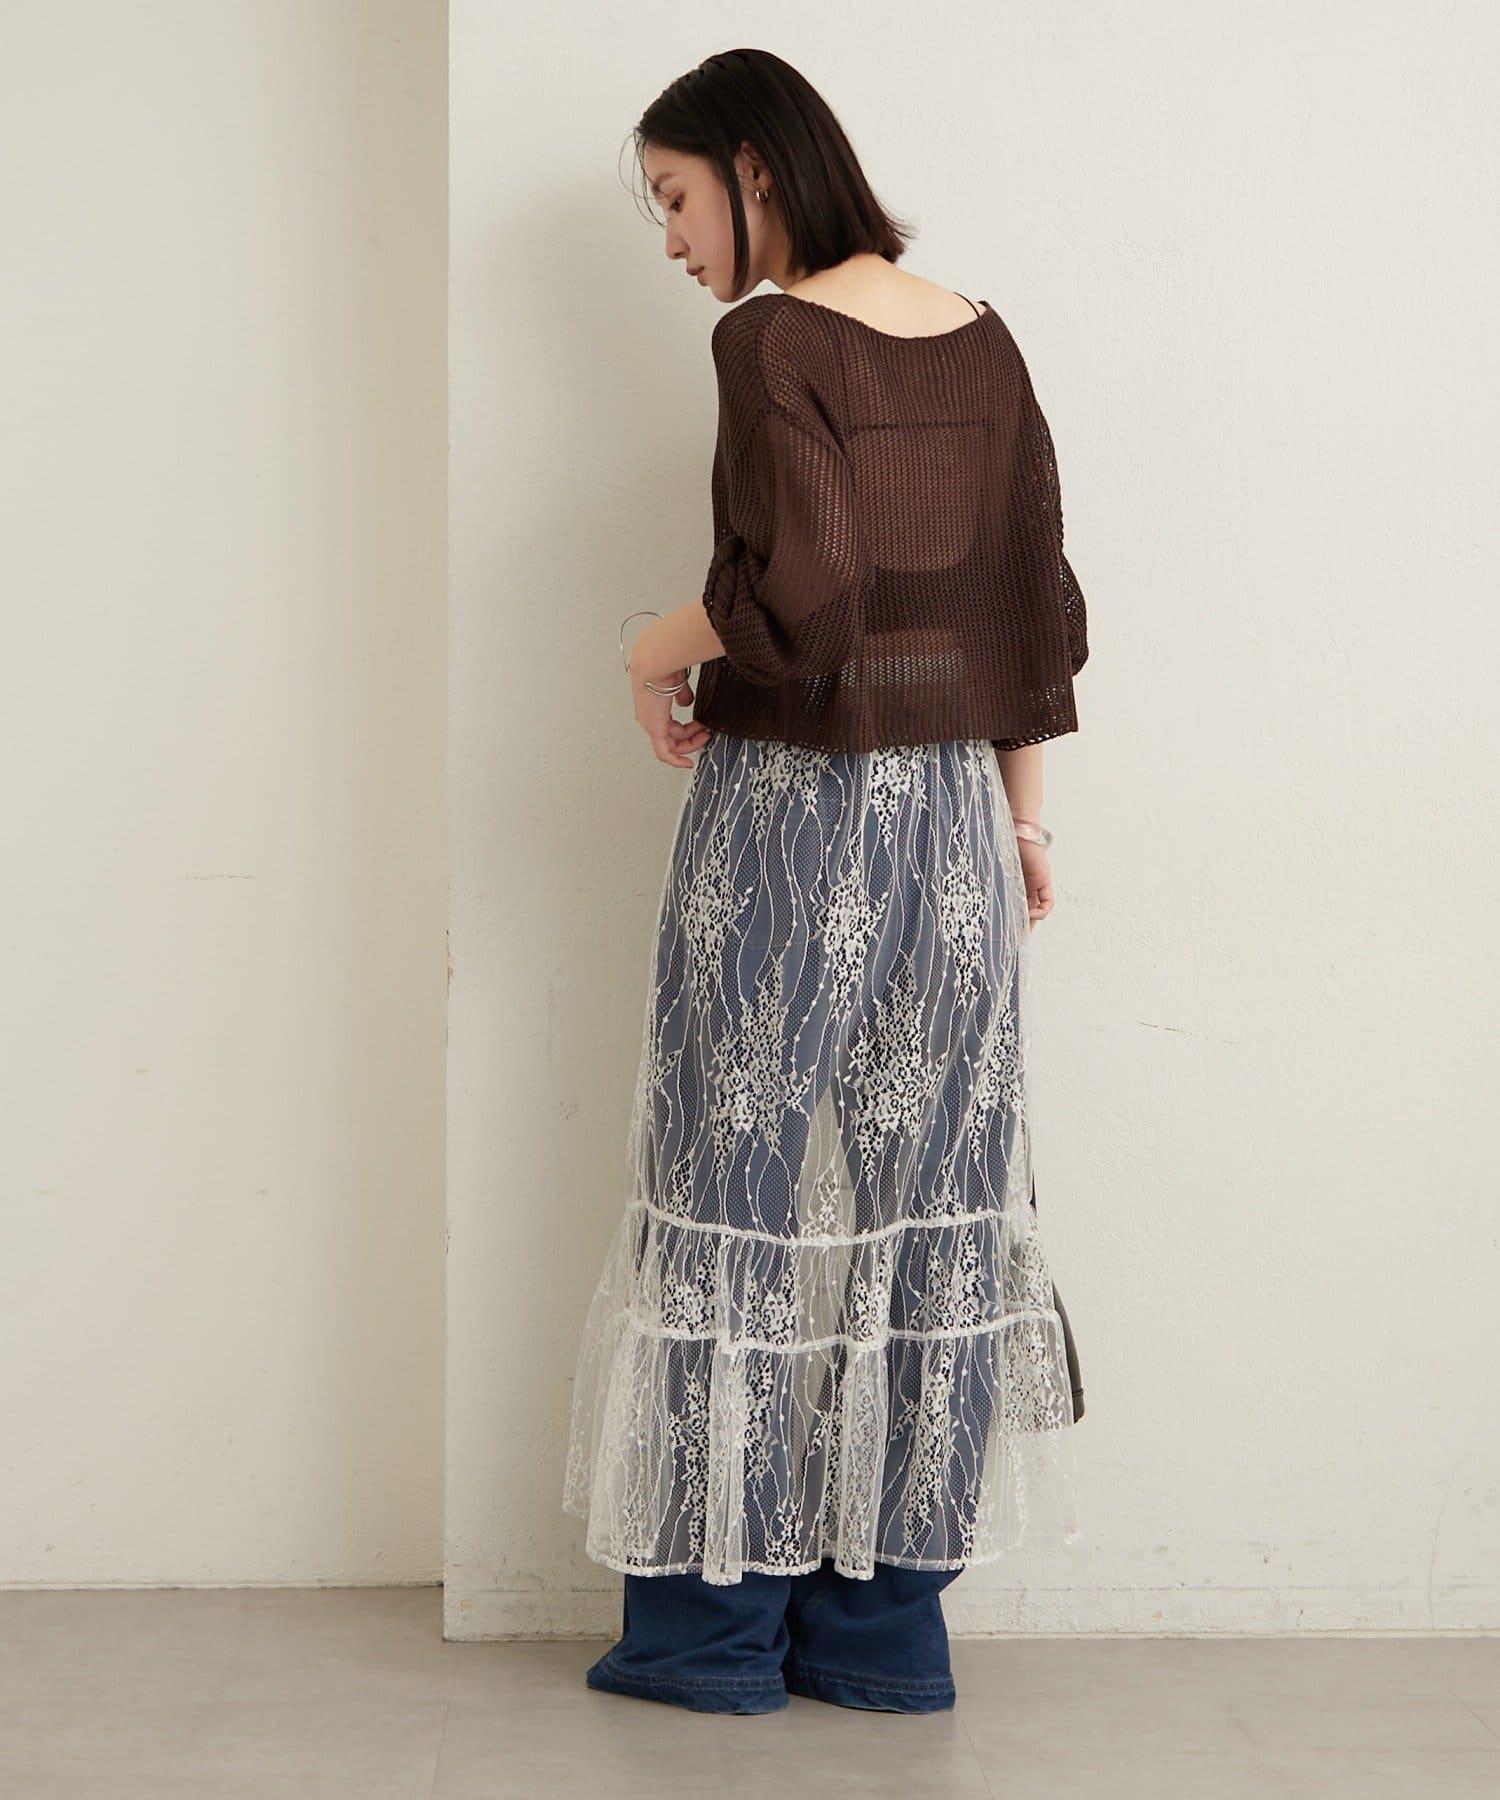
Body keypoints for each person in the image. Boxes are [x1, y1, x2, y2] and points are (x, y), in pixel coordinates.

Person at [562, 46, 1090, 1716]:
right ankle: (883, 1637)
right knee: (930, 1205)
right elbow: (1032, 603)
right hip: (953, 827)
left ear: (753, 169)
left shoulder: (773, 339)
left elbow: (800, 585)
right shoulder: (982, 335)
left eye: (673, 198)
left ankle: (710, 1637)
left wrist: (646, 649)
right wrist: (1024, 829)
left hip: (792, 823)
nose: (670, 240)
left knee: (730, 1191)